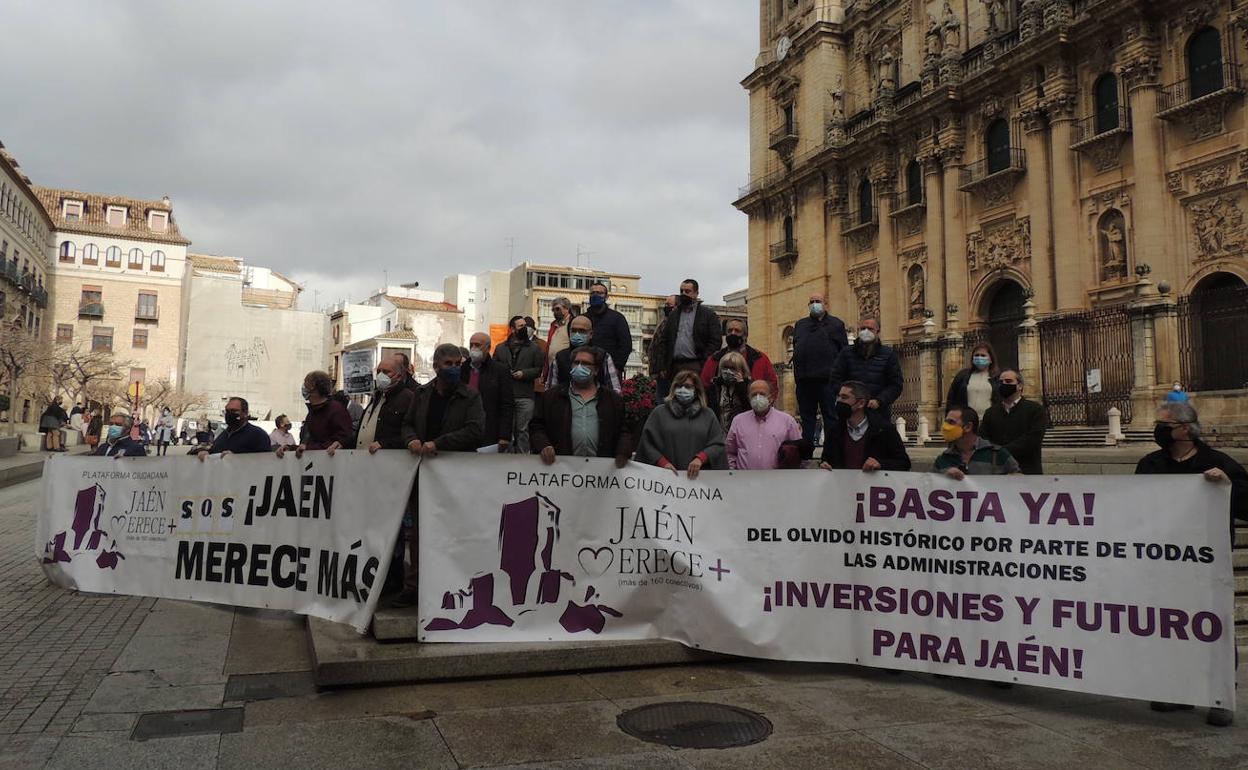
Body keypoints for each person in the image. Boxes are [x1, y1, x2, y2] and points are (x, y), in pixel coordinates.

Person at [1135, 401, 1246, 727]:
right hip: (1165, 560)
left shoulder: (1217, 462)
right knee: (1171, 625)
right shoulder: (1150, 464)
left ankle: (1220, 695)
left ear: (1186, 429)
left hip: (1207, 561)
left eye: (1164, 424)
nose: (1159, 430)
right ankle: (1179, 690)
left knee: (1214, 624)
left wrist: (1226, 484)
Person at [393, 343, 485, 608]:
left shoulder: (471, 396)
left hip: (456, 476)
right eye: (448, 364)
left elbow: (475, 430)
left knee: (455, 531)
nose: (454, 368)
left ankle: (454, 585)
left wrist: (439, 443)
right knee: (419, 532)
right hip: (425, 473)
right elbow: (407, 424)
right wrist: (411, 439)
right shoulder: (422, 394)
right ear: (436, 366)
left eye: (458, 364)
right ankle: (415, 586)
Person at [531, 346, 632, 466]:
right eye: (576, 362)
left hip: (602, 470)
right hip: (561, 469)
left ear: (596, 370)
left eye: (585, 363)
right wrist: (543, 445)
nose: (579, 367)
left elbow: (624, 431)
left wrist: (623, 452)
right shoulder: (552, 397)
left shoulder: (612, 400)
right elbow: (536, 426)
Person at [635, 369, 726, 478]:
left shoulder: (708, 415)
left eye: (688, 386)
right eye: (678, 386)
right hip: (664, 479)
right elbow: (646, 444)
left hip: (699, 481)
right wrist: (662, 462)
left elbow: (718, 444)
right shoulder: (659, 413)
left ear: (696, 390)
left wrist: (701, 458)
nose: (683, 389)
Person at [819, 381, 911, 472]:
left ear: (861, 403)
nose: (839, 401)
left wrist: (880, 464)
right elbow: (826, 459)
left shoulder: (884, 430)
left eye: (844, 397)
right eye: (838, 396)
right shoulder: (834, 430)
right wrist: (824, 465)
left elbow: (904, 463)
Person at [792, 293, 847, 444]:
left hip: (827, 380)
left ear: (825, 304)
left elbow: (843, 353)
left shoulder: (836, 324)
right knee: (807, 418)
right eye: (812, 302)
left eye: (818, 301)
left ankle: (831, 451)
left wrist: (840, 379)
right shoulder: (800, 325)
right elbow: (796, 348)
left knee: (830, 417)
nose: (814, 304)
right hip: (805, 380)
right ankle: (806, 451)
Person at [829, 316, 904, 419]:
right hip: (850, 410)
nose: (866, 331)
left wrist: (879, 400)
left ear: (878, 332)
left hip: (878, 411)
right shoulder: (846, 353)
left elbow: (896, 384)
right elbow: (835, 379)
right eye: (863, 328)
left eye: (870, 329)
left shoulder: (888, 354)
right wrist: (846, 397)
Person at [493, 315, 544, 454]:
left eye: (525, 326)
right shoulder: (500, 348)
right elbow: (494, 368)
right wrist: (505, 372)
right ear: (512, 329)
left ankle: (523, 458)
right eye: (521, 326)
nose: (525, 328)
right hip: (506, 396)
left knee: (523, 429)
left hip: (525, 395)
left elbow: (539, 369)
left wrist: (524, 373)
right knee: (506, 430)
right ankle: (507, 458)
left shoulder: (534, 348)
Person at [980, 369, 1047, 474]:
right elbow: (983, 437)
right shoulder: (990, 412)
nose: (1003, 384)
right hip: (997, 471)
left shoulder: (1035, 410)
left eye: (1008, 381)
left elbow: (1033, 438)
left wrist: (1001, 452)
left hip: (1027, 471)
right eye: (1000, 382)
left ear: (1020, 386)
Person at [726, 380, 802, 470]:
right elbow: (729, 451)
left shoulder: (787, 421)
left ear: (771, 398)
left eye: (762, 394)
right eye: (754, 395)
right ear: (749, 398)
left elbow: (798, 451)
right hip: (744, 477)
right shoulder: (738, 421)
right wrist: (733, 471)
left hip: (777, 477)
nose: (758, 398)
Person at [279, 371, 355, 458]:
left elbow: (341, 441)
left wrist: (309, 449)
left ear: (313, 386)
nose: (303, 386)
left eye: (306, 382)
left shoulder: (336, 410)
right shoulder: (312, 412)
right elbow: (308, 443)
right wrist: (290, 448)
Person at [659, 278, 722, 382]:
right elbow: (665, 340)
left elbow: (715, 341)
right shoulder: (673, 315)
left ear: (696, 293)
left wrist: (704, 361)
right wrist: (664, 364)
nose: (684, 294)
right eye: (681, 291)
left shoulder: (708, 315)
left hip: (696, 365)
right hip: (674, 366)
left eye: (687, 291)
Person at [932, 406, 1020, 478]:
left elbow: (1020, 482)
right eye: (945, 422)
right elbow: (930, 486)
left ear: (968, 427)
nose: (944, 427)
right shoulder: (942, 460)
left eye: (951, 422)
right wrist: (944, 479)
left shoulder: (998, 455)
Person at [463, 332, 514, 451]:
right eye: (471, 345)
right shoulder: (463, 369)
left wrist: (504, 435)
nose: (473, 348)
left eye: (477, 345)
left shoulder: (500, 371)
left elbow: (507, 404)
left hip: (489, 428)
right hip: (465, 428)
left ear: (488, 348)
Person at [545, 314, 622, 393]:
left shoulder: (603, 356)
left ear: (591, 334)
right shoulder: (560, 357)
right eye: (574, 331)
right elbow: (550, 389)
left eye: (582, 331)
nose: (577, 334)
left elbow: (615, 389)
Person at [356, 355, 416, 453]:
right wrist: (343, 443)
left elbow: (411, 434)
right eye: (378, 371)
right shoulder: (377, 396)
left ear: (399, 376)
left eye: (386, 372)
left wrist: (385, 444)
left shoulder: (408, 398)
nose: (380, 375)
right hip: (363, 458)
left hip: (389, 459)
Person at [700, 318, 778, 393]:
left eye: (737, 331)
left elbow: (772, 385)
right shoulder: (714, 359)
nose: (733, 333)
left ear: (745, 335)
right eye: (729, 331)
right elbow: (704, 386)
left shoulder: (760, 359)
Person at [584, 281, 633, 387]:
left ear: (606, 297)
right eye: (592, 293)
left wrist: (617, 366)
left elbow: (626, 344)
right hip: (586, 368)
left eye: (599, 293)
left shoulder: (617, 318)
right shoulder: (583, 318)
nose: (595, 295)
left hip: (610, 369)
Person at [200, 397, 271, 458]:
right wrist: (206, 453)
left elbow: (265, 461)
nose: (229, 414)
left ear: (245, 413)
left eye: (234, 411)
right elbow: (214, 451)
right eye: (227, 411)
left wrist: (236, 458)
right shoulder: (224, 434)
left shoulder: (257, 435)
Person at [946, 342, 1001, 414]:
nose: (979, 358)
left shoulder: (996, 378)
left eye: (983, 355)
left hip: (988, 418)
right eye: (977, 355)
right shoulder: (962, 376)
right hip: (966, 418)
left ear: (991, 359)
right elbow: (952, 399)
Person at [706, 351, 752, 433]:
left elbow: (749, 410)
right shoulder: (715, 387)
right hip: (719, 431)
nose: (728, 371)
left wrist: (741, 387)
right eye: (725, 367)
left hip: (741, 431)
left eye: (732, 368)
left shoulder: (749, 387)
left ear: (741, 370)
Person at [648, 294, 678, 399]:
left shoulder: (675, 324)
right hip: (659, 372)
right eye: (666, 305)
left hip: (667, 372)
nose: (666, 307)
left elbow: (666, 347)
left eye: (669, 305)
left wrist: (664, 368)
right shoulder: (665, 321)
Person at [543, 297, 574, 383]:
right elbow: (549, 347)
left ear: (566, 308)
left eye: (557, 309)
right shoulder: (553, 325)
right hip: (552, 369)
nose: (555, 312)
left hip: (567, 368)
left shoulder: (573, 323)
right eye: (553, 310)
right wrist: (545, 372)